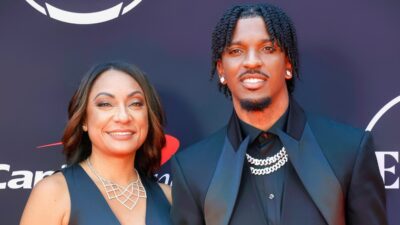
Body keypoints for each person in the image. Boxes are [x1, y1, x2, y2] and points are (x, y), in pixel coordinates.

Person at [171, 3, 387, 225]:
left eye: (268, 48)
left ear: (288, 64)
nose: (252, 61)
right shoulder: (191, 169)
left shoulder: (349, 150)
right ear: (221, 70)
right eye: (236, 51)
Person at [20, 61, 172, 225]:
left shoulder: (170, 198)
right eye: (105, 104)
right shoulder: (53, 192)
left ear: (148, 116)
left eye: (135, 103)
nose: (123, 116)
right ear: (84, 119)